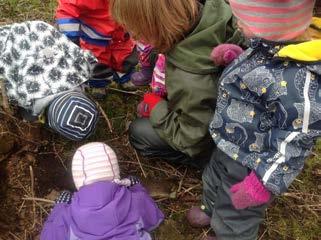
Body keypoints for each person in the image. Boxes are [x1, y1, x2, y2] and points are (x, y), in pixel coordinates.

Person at [187, 1, 321, 239]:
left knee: (238, 211)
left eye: (244, 20)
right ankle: (210, 207)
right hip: (230, 140)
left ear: (269, 26)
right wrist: (237, 60)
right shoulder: (272, 44)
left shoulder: (300, 82)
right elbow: (263, 71)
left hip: (253, 163)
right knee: (214, 176)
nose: (237, 23)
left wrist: (263, 181)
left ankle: (228, 234)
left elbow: (295, 140)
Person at [110, 0, 243, 167]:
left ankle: (208, 164)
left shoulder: (190, 79)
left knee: (139, 132)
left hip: (215, 140)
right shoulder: (212, 7)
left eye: (136, 30)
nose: (134, 37)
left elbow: (192, 140)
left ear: (157, 25)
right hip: (217, 105)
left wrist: (157, 108)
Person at [41, 142, 164, 240]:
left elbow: (50, 235)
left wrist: (60, 207)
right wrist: (137, 188)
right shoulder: (135, 201)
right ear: (115, 172)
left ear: (77, 179)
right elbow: (155, 218)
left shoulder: (68, 216)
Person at [0, 20, 99, 141]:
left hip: (41, 31)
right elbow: (11, 92)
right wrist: (30, 115)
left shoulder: (79, 73)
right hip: (10, 44)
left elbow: (85, 58)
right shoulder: (27, 96)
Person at [55, 0, 139, 94]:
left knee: (126, 58)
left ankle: (125, 77)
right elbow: (67, 9)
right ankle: (99, 84)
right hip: (95, 36)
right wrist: (70, 38)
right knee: (97, 63)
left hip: (121, 33)